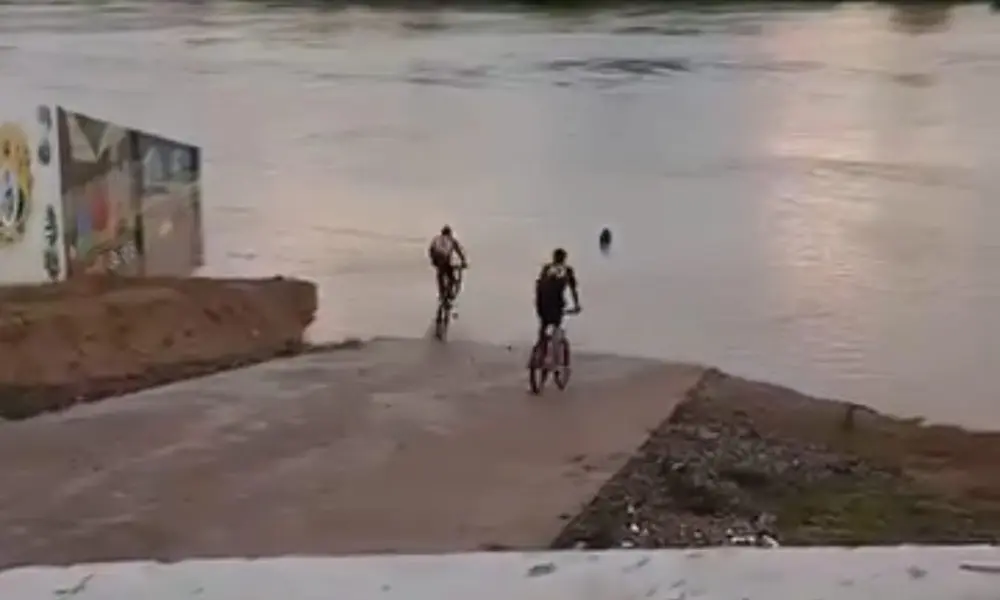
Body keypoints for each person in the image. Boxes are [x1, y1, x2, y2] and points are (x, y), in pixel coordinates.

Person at [534, 247, 581, 344]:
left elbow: (539, 286)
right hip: (556, 302)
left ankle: (540, 345)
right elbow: (573, 289)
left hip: (542, 301)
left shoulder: (546, 268)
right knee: (556, 324)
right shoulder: (567, 270)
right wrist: (576, 305)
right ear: (564, 259)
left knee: (544, 324)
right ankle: (555, 350)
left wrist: (538, 302)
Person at [428, 225, 468, 302]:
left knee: (440, 273)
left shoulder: (436, 238)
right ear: (450, 233)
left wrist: (433, 260)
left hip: (437, 256)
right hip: (445, 256)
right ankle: (448, 291)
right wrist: (464, 261)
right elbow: (459, 251)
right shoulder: (452, 239)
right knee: (451, 276)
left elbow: (431, 249)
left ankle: (441, 292)